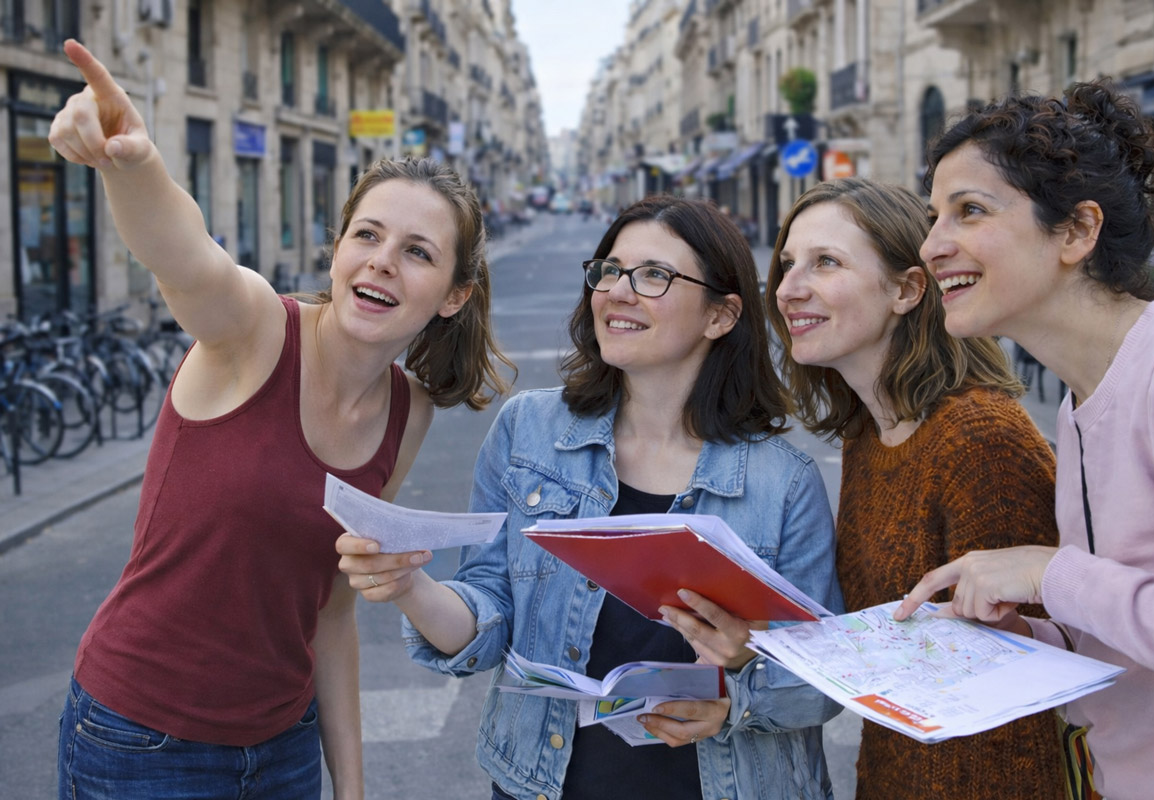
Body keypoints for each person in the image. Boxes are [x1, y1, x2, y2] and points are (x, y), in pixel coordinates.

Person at [50, 40, 510, 800]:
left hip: (285, 749)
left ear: (453, 295)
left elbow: (329, 613)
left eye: (417, 252)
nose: (382, 261)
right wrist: (132, 165)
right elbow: (186, 257)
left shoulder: (408, 412)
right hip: (140, 742)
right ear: (336, 252)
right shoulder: (256, 330)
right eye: (366, 235)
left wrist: (351, 787)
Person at [337, 195, 844, 800]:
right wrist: (409, 586)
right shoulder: (528, 431)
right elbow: (489, 612)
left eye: (654, 275)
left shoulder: (781, 481)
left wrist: (739, 677)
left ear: (721, 315)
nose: (618, 292)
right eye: (609, 269)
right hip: (543, 782)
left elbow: (820, 688)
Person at [896, 78, 1154, 799]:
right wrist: (1020, 636)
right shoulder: (1080, 399)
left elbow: (1083, 584)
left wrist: (1046, 574)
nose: (933, 244)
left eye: (969, 211)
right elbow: (1140, 621)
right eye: (933, 216)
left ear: (1075, 231)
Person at [765, 178, 1062, 798]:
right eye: (788, 263)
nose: (788, 288)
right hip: (894, 773)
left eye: (826, 262)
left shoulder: (979, 440)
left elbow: (1031, 689)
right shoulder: (869, 431)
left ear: (906, 288)